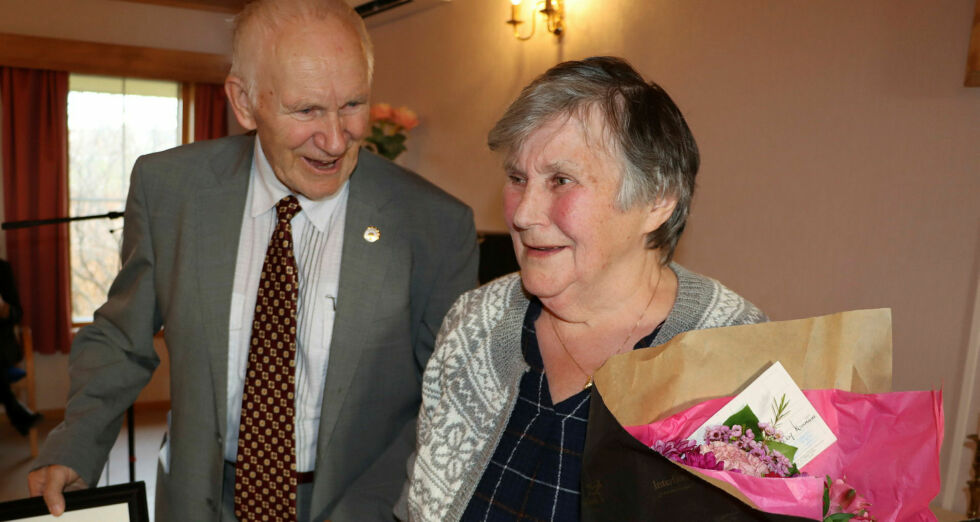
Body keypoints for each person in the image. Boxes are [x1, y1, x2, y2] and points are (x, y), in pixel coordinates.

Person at [28, 1, 478, 520]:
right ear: (244, 102)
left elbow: (448, 401)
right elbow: (121, 341)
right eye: (306, 110)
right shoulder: (170, 190)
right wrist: (73, 443)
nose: (335, 140)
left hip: (357, 503)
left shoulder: (434, 225)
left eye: (352, 104)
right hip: (200, 500)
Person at [398, 56, 767, 521]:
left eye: (561, 180)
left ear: (656, 200)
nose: (523, 213)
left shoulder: (739, 355)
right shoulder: (473, 324)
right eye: (517, 178)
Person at [0, 258, 41, 436]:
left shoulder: (2, 269)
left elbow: (17, 313)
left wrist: (6, 310)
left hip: (2, 347)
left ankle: (15, 411)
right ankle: (15, 410)